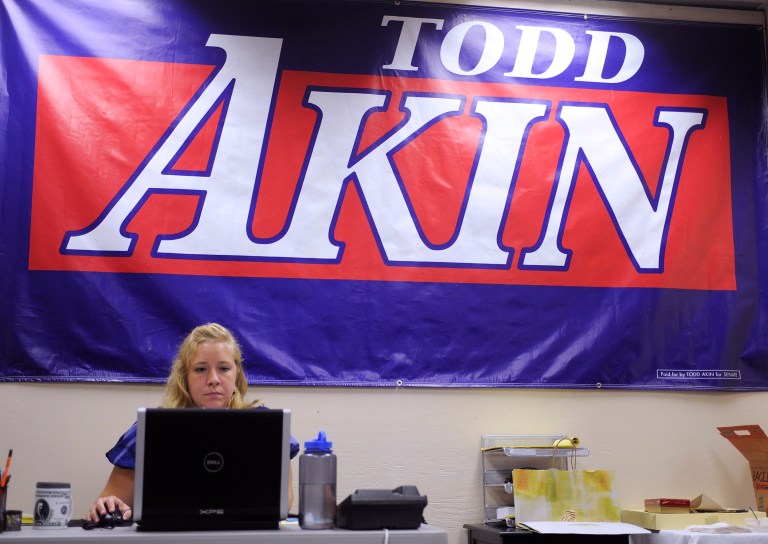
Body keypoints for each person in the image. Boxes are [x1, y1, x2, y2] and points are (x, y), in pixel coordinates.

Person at [86, 322, 300, 522]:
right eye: (200, 369)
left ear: (237, 375)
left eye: (224, 368)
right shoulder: (150, 431)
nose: (214, 379)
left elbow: (281, 506)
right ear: (184, 376)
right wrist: (107, 506)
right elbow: (110, 507)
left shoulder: (267, 429)